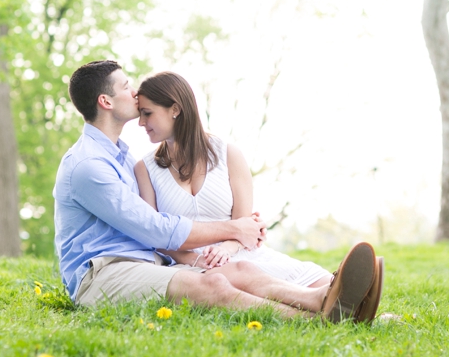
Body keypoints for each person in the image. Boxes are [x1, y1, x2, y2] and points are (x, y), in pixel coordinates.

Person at [53, 59, 383, 322]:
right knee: (212, 284)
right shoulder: (89, 166)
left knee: (240, 269)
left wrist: (241, 232)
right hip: (104, 272)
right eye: (126, 86)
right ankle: (317, 321)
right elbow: (152, 227)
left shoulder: (119, 155)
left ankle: (323, 299)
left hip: (146, 264)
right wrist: (235, 228)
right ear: (106, 100)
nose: (135, 93)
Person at [133, 71, 337, 288]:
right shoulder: (145, 168)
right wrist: (194, 259)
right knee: (262, 288)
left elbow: (244, 223)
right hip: (187, 265)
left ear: (175, 109)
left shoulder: (228, 154)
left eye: (147, 113)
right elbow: (154, 235)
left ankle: (361, 307)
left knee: (321, 280)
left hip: (237, 252)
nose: (141, 122)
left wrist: (224, 250)